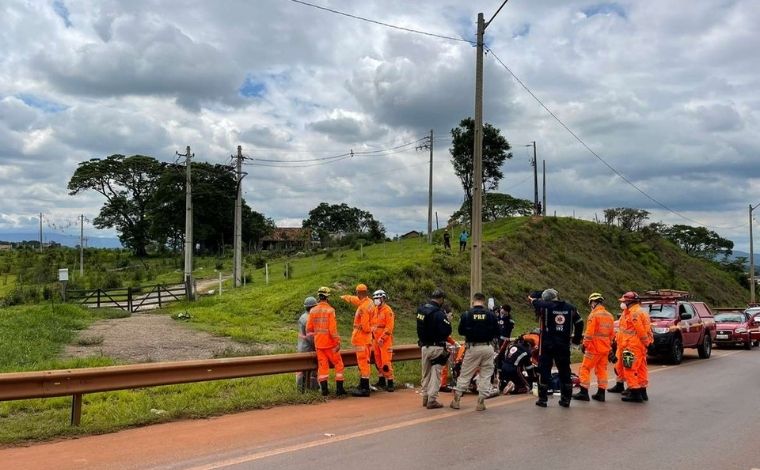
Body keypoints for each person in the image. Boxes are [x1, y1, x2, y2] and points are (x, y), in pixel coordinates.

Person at [529, 288, 583, 408]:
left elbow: (533, 299)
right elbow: (579, 323)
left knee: (544, 370)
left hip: (547, 345)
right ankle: (566, 400)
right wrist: (576, 340)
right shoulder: (570, 307)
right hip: (563, 345)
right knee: (565, 371)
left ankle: (542, 400)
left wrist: (536, 296)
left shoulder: (543, 306)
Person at [450, 292, 499, 411]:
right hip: (488, 347)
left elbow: (461, 331)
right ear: (483, 301)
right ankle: (481, 402)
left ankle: (456, 400)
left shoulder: (467, 314)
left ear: (473, 301)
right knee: (486, 375)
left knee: (465, 373)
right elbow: (497, 331)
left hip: (473, 347)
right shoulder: (491, 315)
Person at [573, 293, 615, 402]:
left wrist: (585, 344)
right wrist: (609, 347)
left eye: (591, 303)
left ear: (593, 302)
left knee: (585, 368)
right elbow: (611, 335)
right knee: (602, 370)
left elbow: (589, 333)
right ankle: (601, 394)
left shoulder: (594, 315)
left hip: (593, 348)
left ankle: (584, 392)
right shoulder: (609, 316)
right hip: (604, 349)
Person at [306, 287, 346, 397]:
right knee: (339, 365)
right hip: (330, 345)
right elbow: (332, 330)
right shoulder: (330, 310)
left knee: (323, 367)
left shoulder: (313, 310)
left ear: (319, 297)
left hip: (319, 344)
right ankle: (339, 390)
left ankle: (324, 391)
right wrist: (337, 342)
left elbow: (309, 328)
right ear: (327, 297)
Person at [416, 288, 453, 409]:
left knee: (425, 373)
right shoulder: (438, 313)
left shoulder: (421, 310)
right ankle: (432, 400)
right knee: (436, 374)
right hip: (436, 347)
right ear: (441, 299)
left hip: (424, 347)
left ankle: (425, 397)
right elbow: (447, 331)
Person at [616, 291, 651, 403]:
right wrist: (647, 344)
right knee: (641, 369)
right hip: (638, 346)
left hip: (631, 346)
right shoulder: (640, 311)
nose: (623, 303)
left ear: (630, 302)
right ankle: (642, 391)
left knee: (629, 369)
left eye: (625, 301)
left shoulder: (633, 313)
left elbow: (640, 331)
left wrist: (646, 342)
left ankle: (635, 393)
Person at [340, 284, 374, 397]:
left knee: (363, 363)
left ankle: (364, 389)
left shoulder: (363, 307)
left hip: (362, 339)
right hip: (366, 339)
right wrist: (345, 297)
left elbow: (365, 326)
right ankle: (363, 385)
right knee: (365, 362)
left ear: (358, 293)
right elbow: (355, 300)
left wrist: (369, 330)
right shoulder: (369, 302)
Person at [371, 289, 395, 392]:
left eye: (377, 298)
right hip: (375, 340)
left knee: (386, 362)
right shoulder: (375, 310)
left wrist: (382, 338)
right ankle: (381, 380)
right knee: (378, 361)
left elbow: (389, 327)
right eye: (375, 298)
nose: (376, 300)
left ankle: (390, 382)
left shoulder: (387, 310)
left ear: (383, 298)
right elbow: (373, 324)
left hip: (385, 341)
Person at [296, 296, 319, 392]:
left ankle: (301, 390)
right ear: (313, 307)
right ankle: (312, 389)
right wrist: (318, 347)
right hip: (308, 348)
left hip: (302, 347)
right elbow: (311, 337)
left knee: (302, 371)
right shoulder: (309, 318)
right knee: (312, 371)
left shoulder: (303, 316)